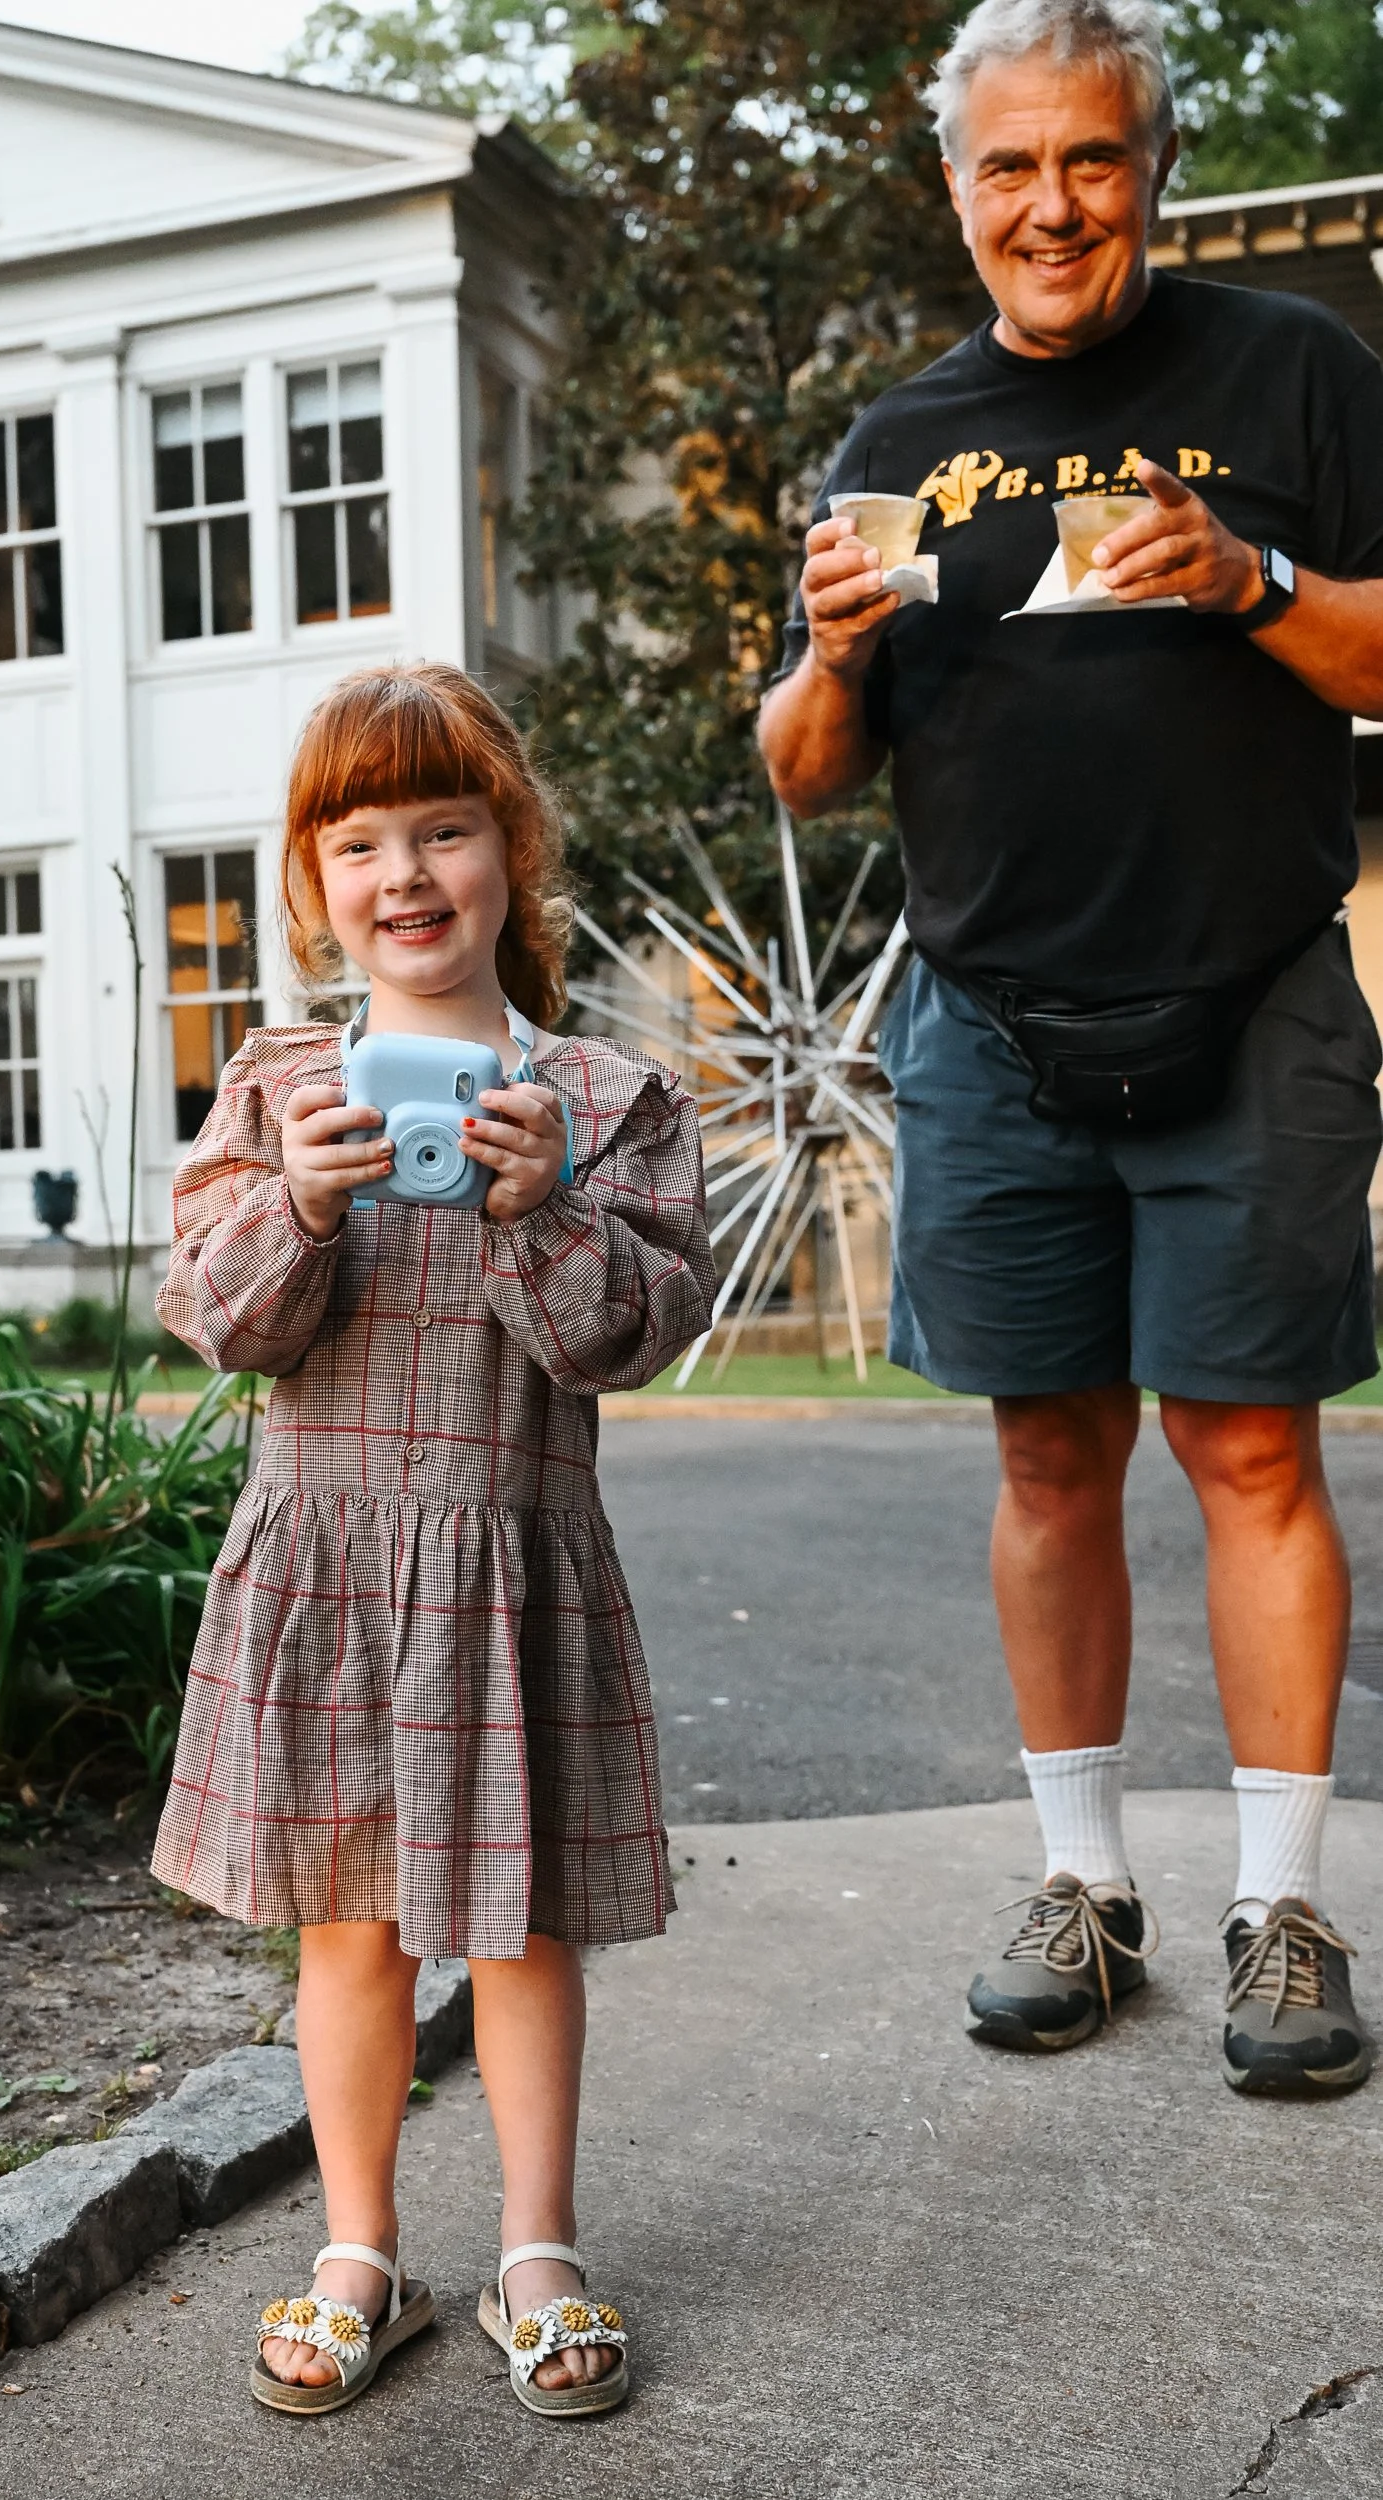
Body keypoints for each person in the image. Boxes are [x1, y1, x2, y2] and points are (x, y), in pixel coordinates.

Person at [761, 0, 1383, 2094]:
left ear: (1153, 169)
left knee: (1249, 1449)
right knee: (1044, 1457)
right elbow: (804, 766)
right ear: (955, 191)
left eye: (1089, 159)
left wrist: (1249, 576)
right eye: (1009, 166)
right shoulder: (893, 438)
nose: (1051, 204)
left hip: (1249, 993)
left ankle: (1280, 1911)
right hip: (988, 1023)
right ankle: (1081, 1886)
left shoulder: (1292, 371)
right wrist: (827, 657)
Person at [150, 663, 713, 2416]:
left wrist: (541, 1206)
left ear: (510, 850)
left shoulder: (606, 1101)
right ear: (311, 878)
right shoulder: (272, 1088)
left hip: (510, 1560)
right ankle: (360, 2251)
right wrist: (303, 1205)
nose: (404, 872)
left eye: (445, 830)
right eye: (359, 839)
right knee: (347, 1924)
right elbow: (213, 1316)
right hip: (325, 1567)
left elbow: (632, 1333)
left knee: (524, 1927)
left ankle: (537, 2250)